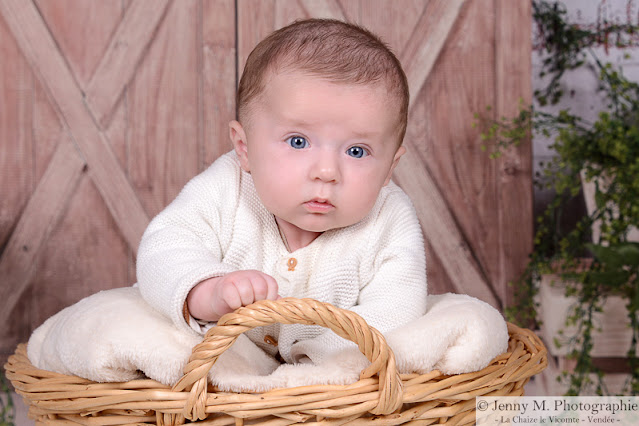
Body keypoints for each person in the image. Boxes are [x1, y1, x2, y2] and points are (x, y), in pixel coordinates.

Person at [137, 18, 427, 365]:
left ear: (389, 169)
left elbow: (397, 307)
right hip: (225, 352)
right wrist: (208, 293)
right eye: (298, 141)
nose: (326, 172)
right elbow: (165, 246)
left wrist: (323, 360)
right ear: (244, 148)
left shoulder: (389, 216)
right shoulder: (227, 186)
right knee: (144, 334)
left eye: (356, 151)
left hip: (325, 386)